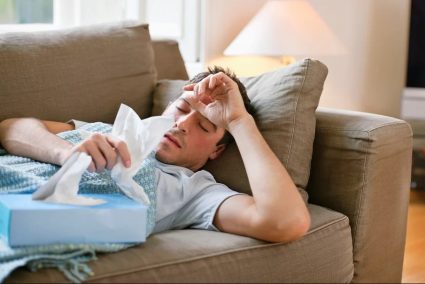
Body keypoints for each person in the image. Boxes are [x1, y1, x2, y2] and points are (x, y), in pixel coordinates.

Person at [0, 67, 310, 243]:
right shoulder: (109, 131)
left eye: (204, 125)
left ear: (217, 150)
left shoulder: (196, 191)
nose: (182, 124)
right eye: (182, 109)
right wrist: (66, 152)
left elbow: (285, 223)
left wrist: (239, 122)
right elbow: (12, 128)